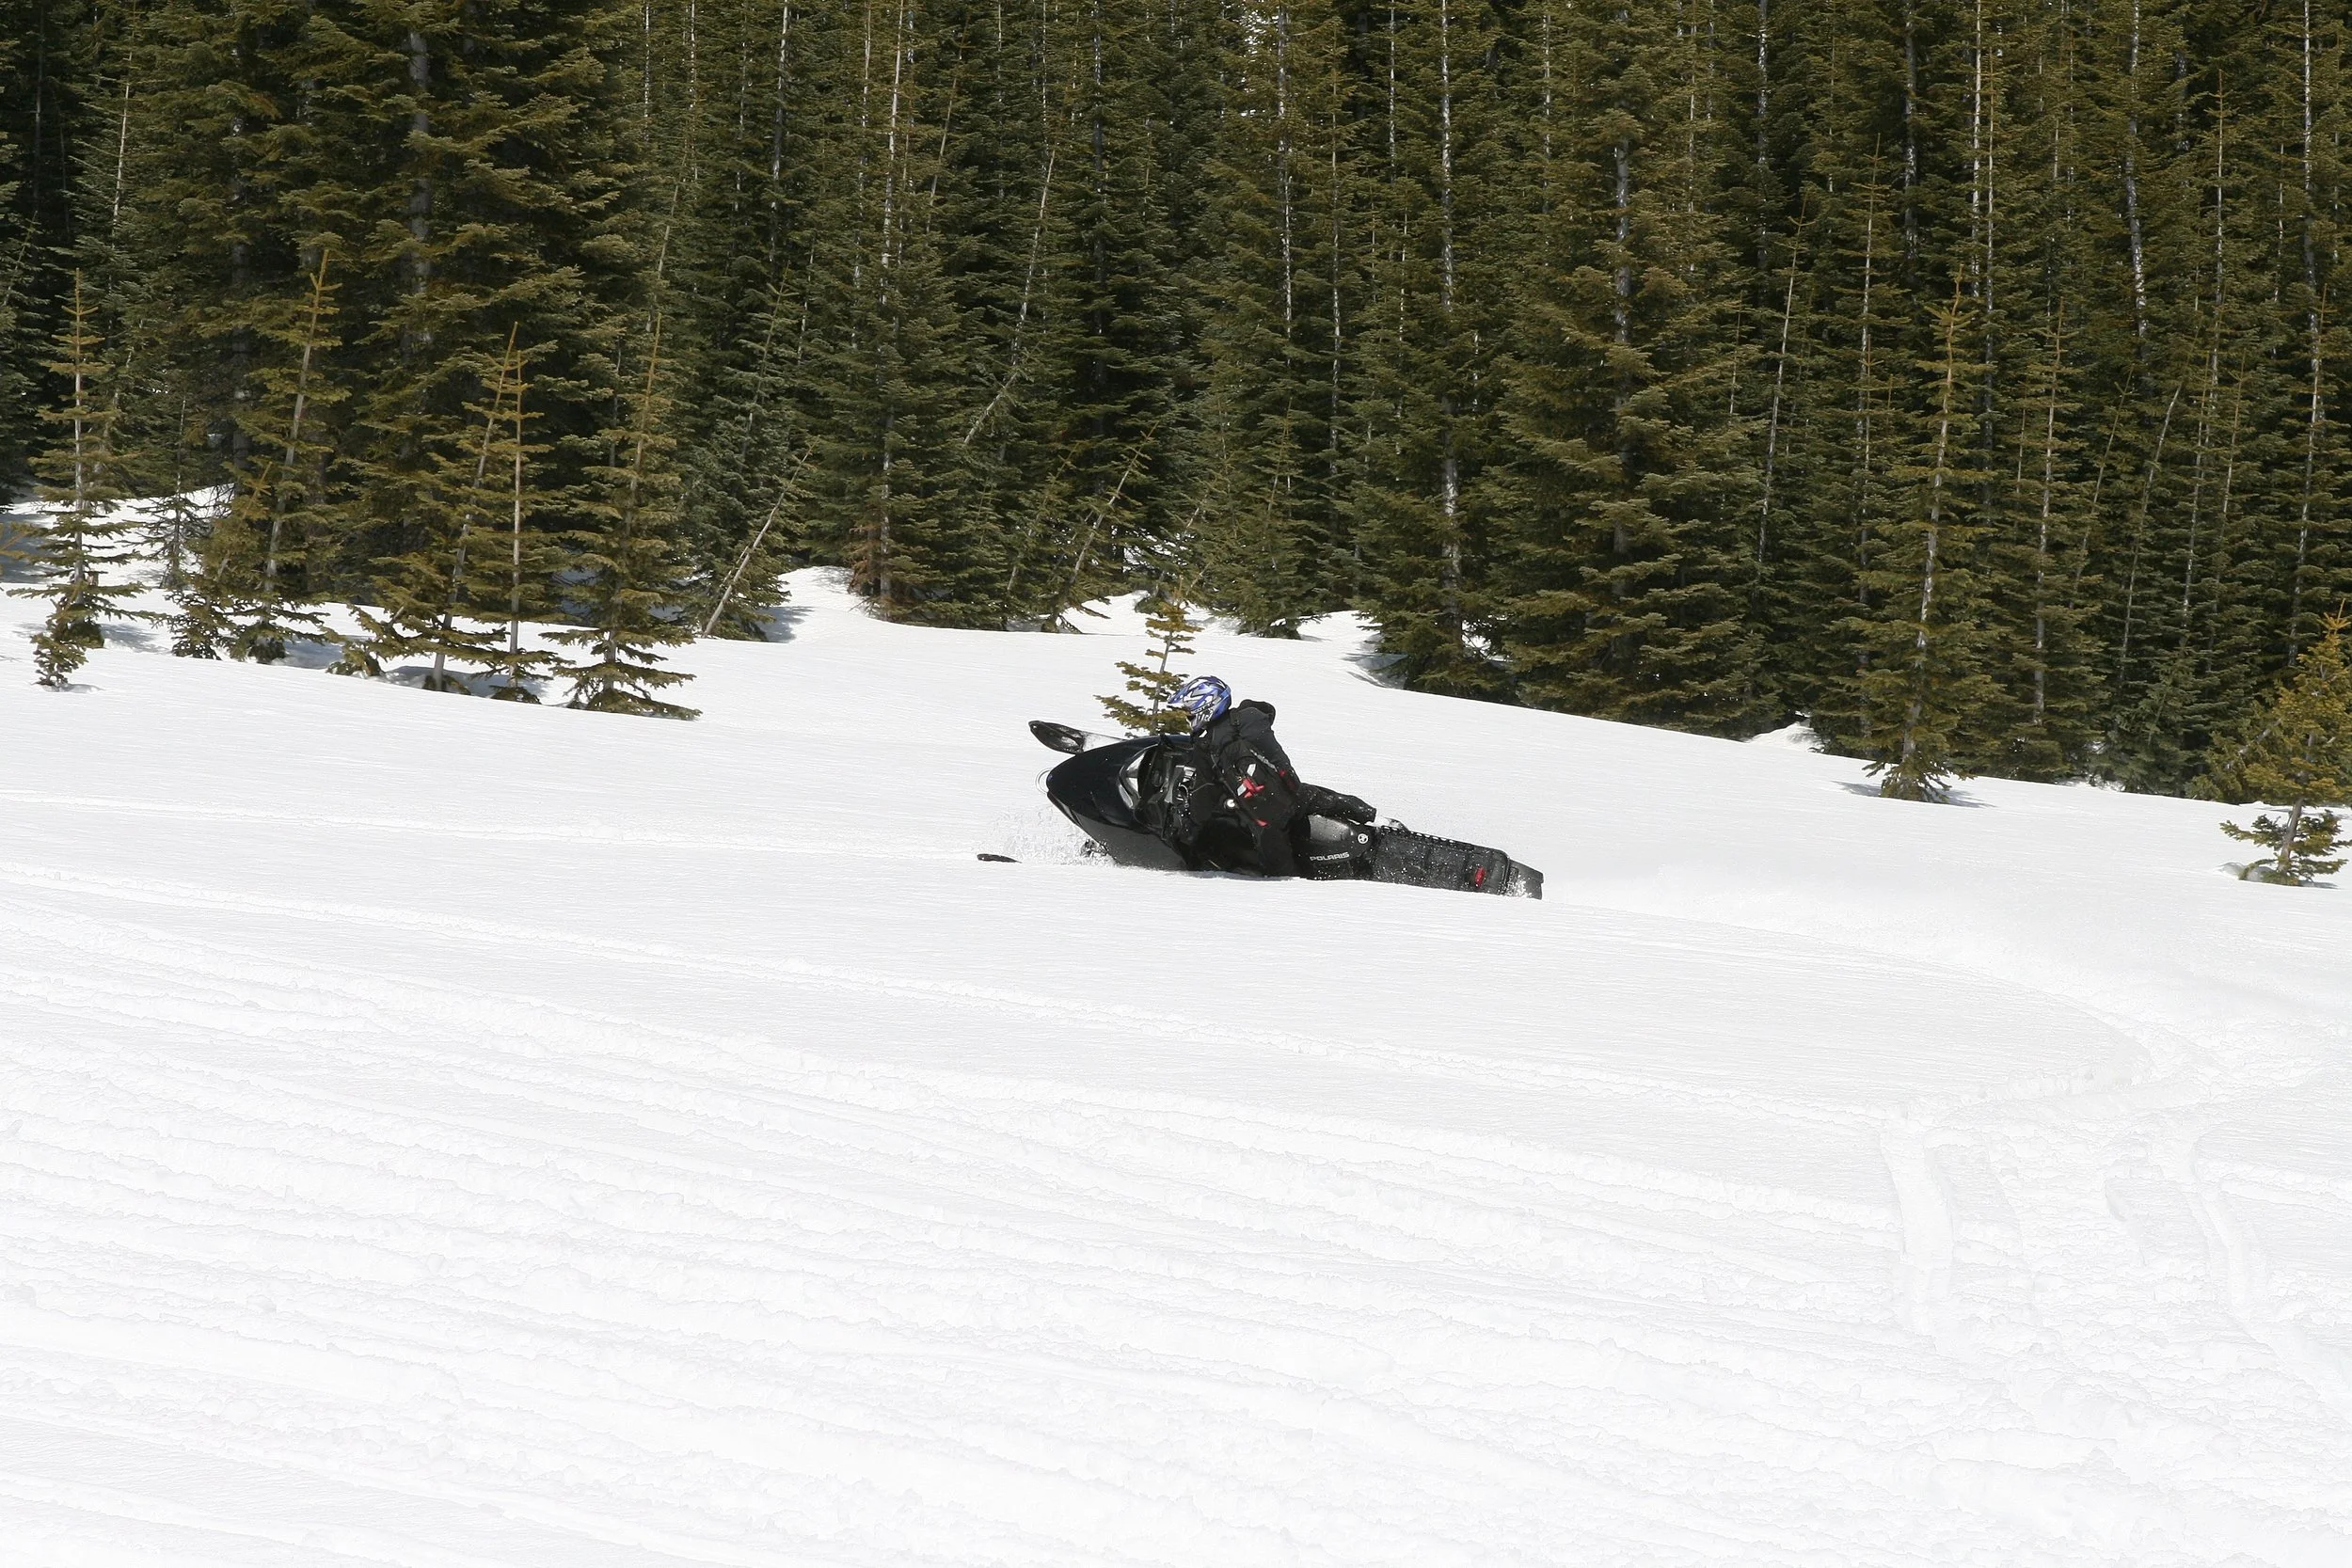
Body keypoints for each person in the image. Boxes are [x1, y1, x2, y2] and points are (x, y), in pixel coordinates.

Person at [1150, 675, 1377, 878]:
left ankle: (1310, 888)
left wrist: (1189, 825)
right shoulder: (1249, 716)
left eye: (1190, 712)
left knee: (1280, 874)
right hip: (1293, 791)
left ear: (1206, 707)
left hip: (1266, 818)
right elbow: (1269, 710)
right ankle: (1377, 819)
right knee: (1330, 800)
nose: (1188, 716)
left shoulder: (1207, 747)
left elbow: (1204, 799)